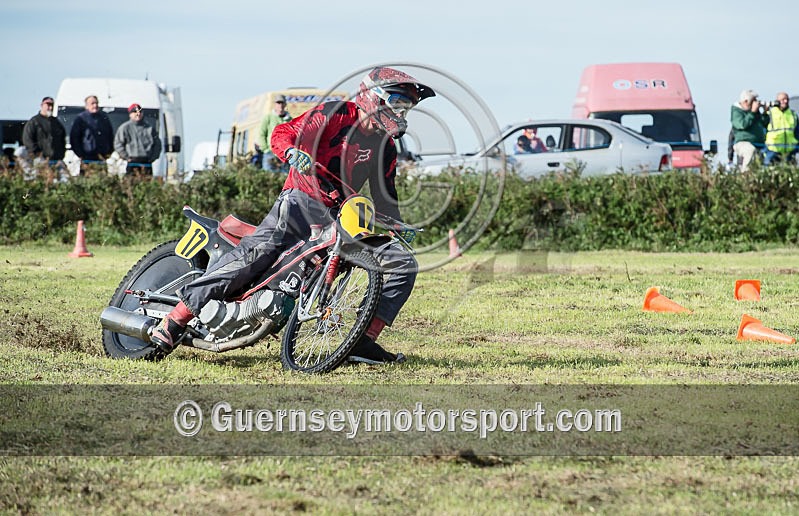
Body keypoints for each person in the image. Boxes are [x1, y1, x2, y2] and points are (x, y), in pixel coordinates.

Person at [151, 66, 435, 364]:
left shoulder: (386, 147)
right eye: (397, 102)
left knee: (402, 263)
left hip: (340, 215)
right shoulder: (336, 114)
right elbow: (283, 133)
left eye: (406, 107)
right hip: (301, 199)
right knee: (258, 251)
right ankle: (176, 318)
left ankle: (362, 341)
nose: (401, 113)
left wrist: (398, 225)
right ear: (371, 97)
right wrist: (290, 152)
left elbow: (385, 201)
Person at [113, 103, 162, 175]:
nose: (138, 114)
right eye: (135, 112)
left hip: (146, 162)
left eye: (140, 111)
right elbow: (118, 144)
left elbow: (157, 145)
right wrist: (126, 157)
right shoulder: (124, 128)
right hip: (132, 162)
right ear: (130, 114)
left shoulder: (150, 128)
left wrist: (153, 158)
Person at [69, 95, 114, 166]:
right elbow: (74, 138)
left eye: (96, 103)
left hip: (102, 157)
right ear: (86, 106)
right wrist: (80, 154)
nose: (95, 105)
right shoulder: (81, 119)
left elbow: (110, 136)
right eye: (92, 103)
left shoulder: (104, 118)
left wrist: (109, 153)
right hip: (87, 157)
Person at [730, 89, 768, 172]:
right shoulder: (736, 112)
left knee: (764, 159)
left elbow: (765, 124)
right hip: (743, 143)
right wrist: (752, 113)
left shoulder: (756, 112)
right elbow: (742, 125)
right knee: (750, 150)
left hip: (759, 144)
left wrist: (765, 113)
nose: (756, 102)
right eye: (753, 100)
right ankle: (745, 175)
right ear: (746, 101)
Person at [22, 96, 67, 165]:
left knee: (64, 175)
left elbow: (62, 140)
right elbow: (27, 140)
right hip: (39, 160)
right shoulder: (34, 122)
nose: (50, 108)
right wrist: (37, 154)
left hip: (56, 160)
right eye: (48, 105)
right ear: (42, 105)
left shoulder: (57, 123)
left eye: (52, 105)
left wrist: (61, 155)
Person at [255, 94, 292, 171]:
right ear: (275, 104)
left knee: (284, 178)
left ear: (285, 104)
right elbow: (261, 134)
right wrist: (266, 149)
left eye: (282, 103)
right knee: (269, 177)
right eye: (278, 103)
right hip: (270, 153)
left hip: (285, 154)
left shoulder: (290, 120)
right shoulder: (268, 118)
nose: (280, 105)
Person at [763, 92, 798, 166]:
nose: (785, 101)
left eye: (787, 99)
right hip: (773, 150)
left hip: (789, 150)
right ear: (777, 101)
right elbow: (763, 127)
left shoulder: (793, 114)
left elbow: (797, 131)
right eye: (783, 99)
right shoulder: (770, 113)